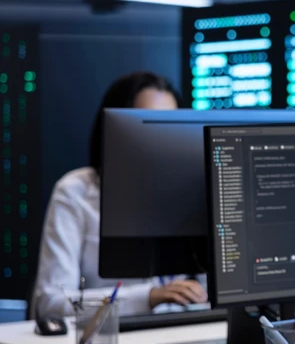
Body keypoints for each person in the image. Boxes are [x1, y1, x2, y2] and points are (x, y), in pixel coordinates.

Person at [31, 72, 207, 320]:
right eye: (149, 125)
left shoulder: (191, 190)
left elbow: (214, 291)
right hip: (105, 339)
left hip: (180, 331)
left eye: (170, 126)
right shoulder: (75, 192)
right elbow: (51, 303)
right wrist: (148, 296)